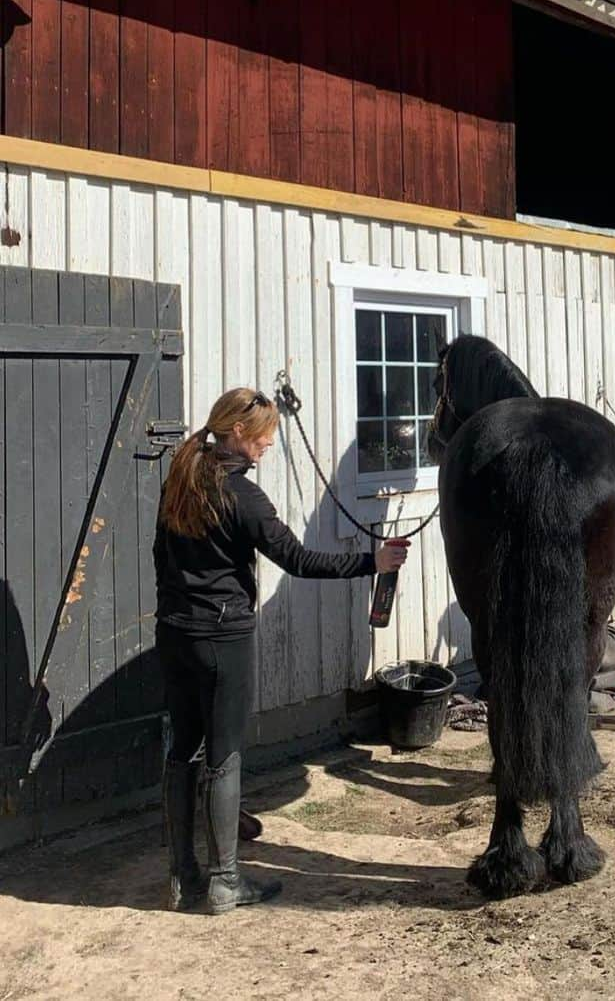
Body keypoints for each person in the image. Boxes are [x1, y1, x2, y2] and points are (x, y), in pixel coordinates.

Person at [155, 387, 409, 914]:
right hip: (223, 637)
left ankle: (183, 877)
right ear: (239, 433)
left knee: (182, 750)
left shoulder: (180, 480)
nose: (269, 444)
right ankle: (225, 880)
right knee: (223, 755)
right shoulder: (243, 498)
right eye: (265, 436)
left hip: (175, 633)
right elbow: (297, 560)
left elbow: (161, 557)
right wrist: (373, 562)